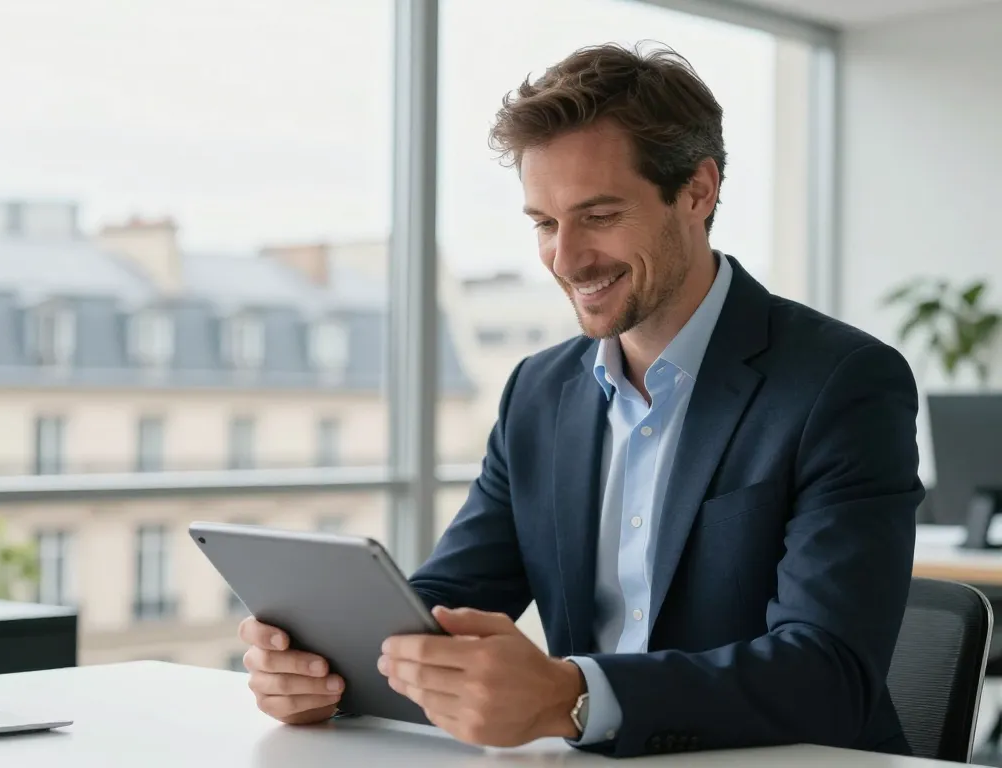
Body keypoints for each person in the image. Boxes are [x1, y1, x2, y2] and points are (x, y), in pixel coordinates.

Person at [237, 42, 923, 759]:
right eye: (544, 223)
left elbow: (828, 675)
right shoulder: (538, 392)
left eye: (598, 216)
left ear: (697, 191)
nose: (564, 259)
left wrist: (573, 697)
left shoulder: (842, 383)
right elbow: (448, 601)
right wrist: (329, 666)